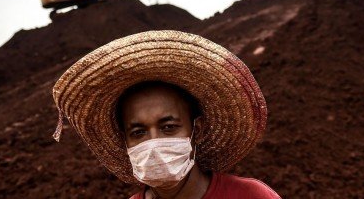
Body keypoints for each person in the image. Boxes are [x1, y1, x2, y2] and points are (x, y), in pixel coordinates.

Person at [52, 30, 281, 198]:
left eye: (168, 127)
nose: (154, 143)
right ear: (126, 142)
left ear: (196, 130)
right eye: (139, 132)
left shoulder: (251, 196)